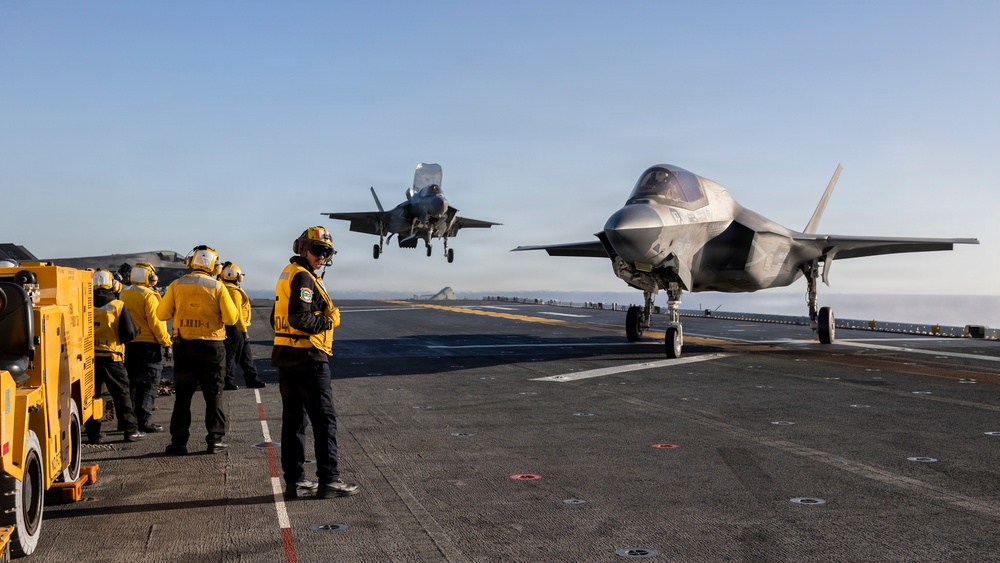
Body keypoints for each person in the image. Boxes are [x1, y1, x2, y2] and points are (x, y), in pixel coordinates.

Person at [271, 227, 359, 499]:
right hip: (309, 359)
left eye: (327, 252)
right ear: (303, 248)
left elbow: (278, 315)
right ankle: (329, 480)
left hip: (286, 358)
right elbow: (300, 318)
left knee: (294, 422)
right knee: (324, 421)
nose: (323, 256)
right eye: (318, 250)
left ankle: (295, 481)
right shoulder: (305, 279)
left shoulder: (288, 274)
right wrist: (330, 320)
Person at [156, 245, 238, 455]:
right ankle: (215, 440)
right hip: (212, 348)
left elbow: (162, 314)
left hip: (184, 347)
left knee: (183, 397)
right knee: (214, 396)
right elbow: (231, 318)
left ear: (191, 262)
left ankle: (179, 442)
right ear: (213, 265)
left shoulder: (176, 285)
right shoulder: (218, 287)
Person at [86, 269, 144, 443]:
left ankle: (93, 433)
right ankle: (130, 430)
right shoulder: (117, 305)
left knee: (91, 397)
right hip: (112, 357)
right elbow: (129, 333)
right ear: (111, 283)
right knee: (121, 394)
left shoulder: (85, 304)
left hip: (90, 358)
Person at [120, 262, 172, 433]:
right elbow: (156, 323)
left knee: (132, 384)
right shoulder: (149, 295)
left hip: (129, 345)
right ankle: (143, 421)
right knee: (149, 385)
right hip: (149, 346)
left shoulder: (123, 293)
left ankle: (128, 420)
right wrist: (166, 342)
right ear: (149, 277)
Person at [219, 262, 265, 390]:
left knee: (246, 356)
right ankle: (228, 381)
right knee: (232, 355)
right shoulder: (234, 292)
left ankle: (252, 379)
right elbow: (238, 314)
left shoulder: (223, 287)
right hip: (236, 328)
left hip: (231, 326)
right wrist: (243, 331)